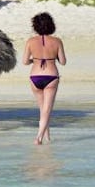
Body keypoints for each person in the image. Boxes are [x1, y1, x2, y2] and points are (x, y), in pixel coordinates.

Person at [22, 12, 67, 145]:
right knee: (47, 109)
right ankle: (39, 138)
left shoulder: (30, 41)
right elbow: (63, 62)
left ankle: (47, 137)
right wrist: (54, 57)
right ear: (51, 25)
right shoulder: (57, 41)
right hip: (51, 76)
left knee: (43, 109)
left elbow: (24, 61)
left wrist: (34, 61)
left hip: (35, 76)